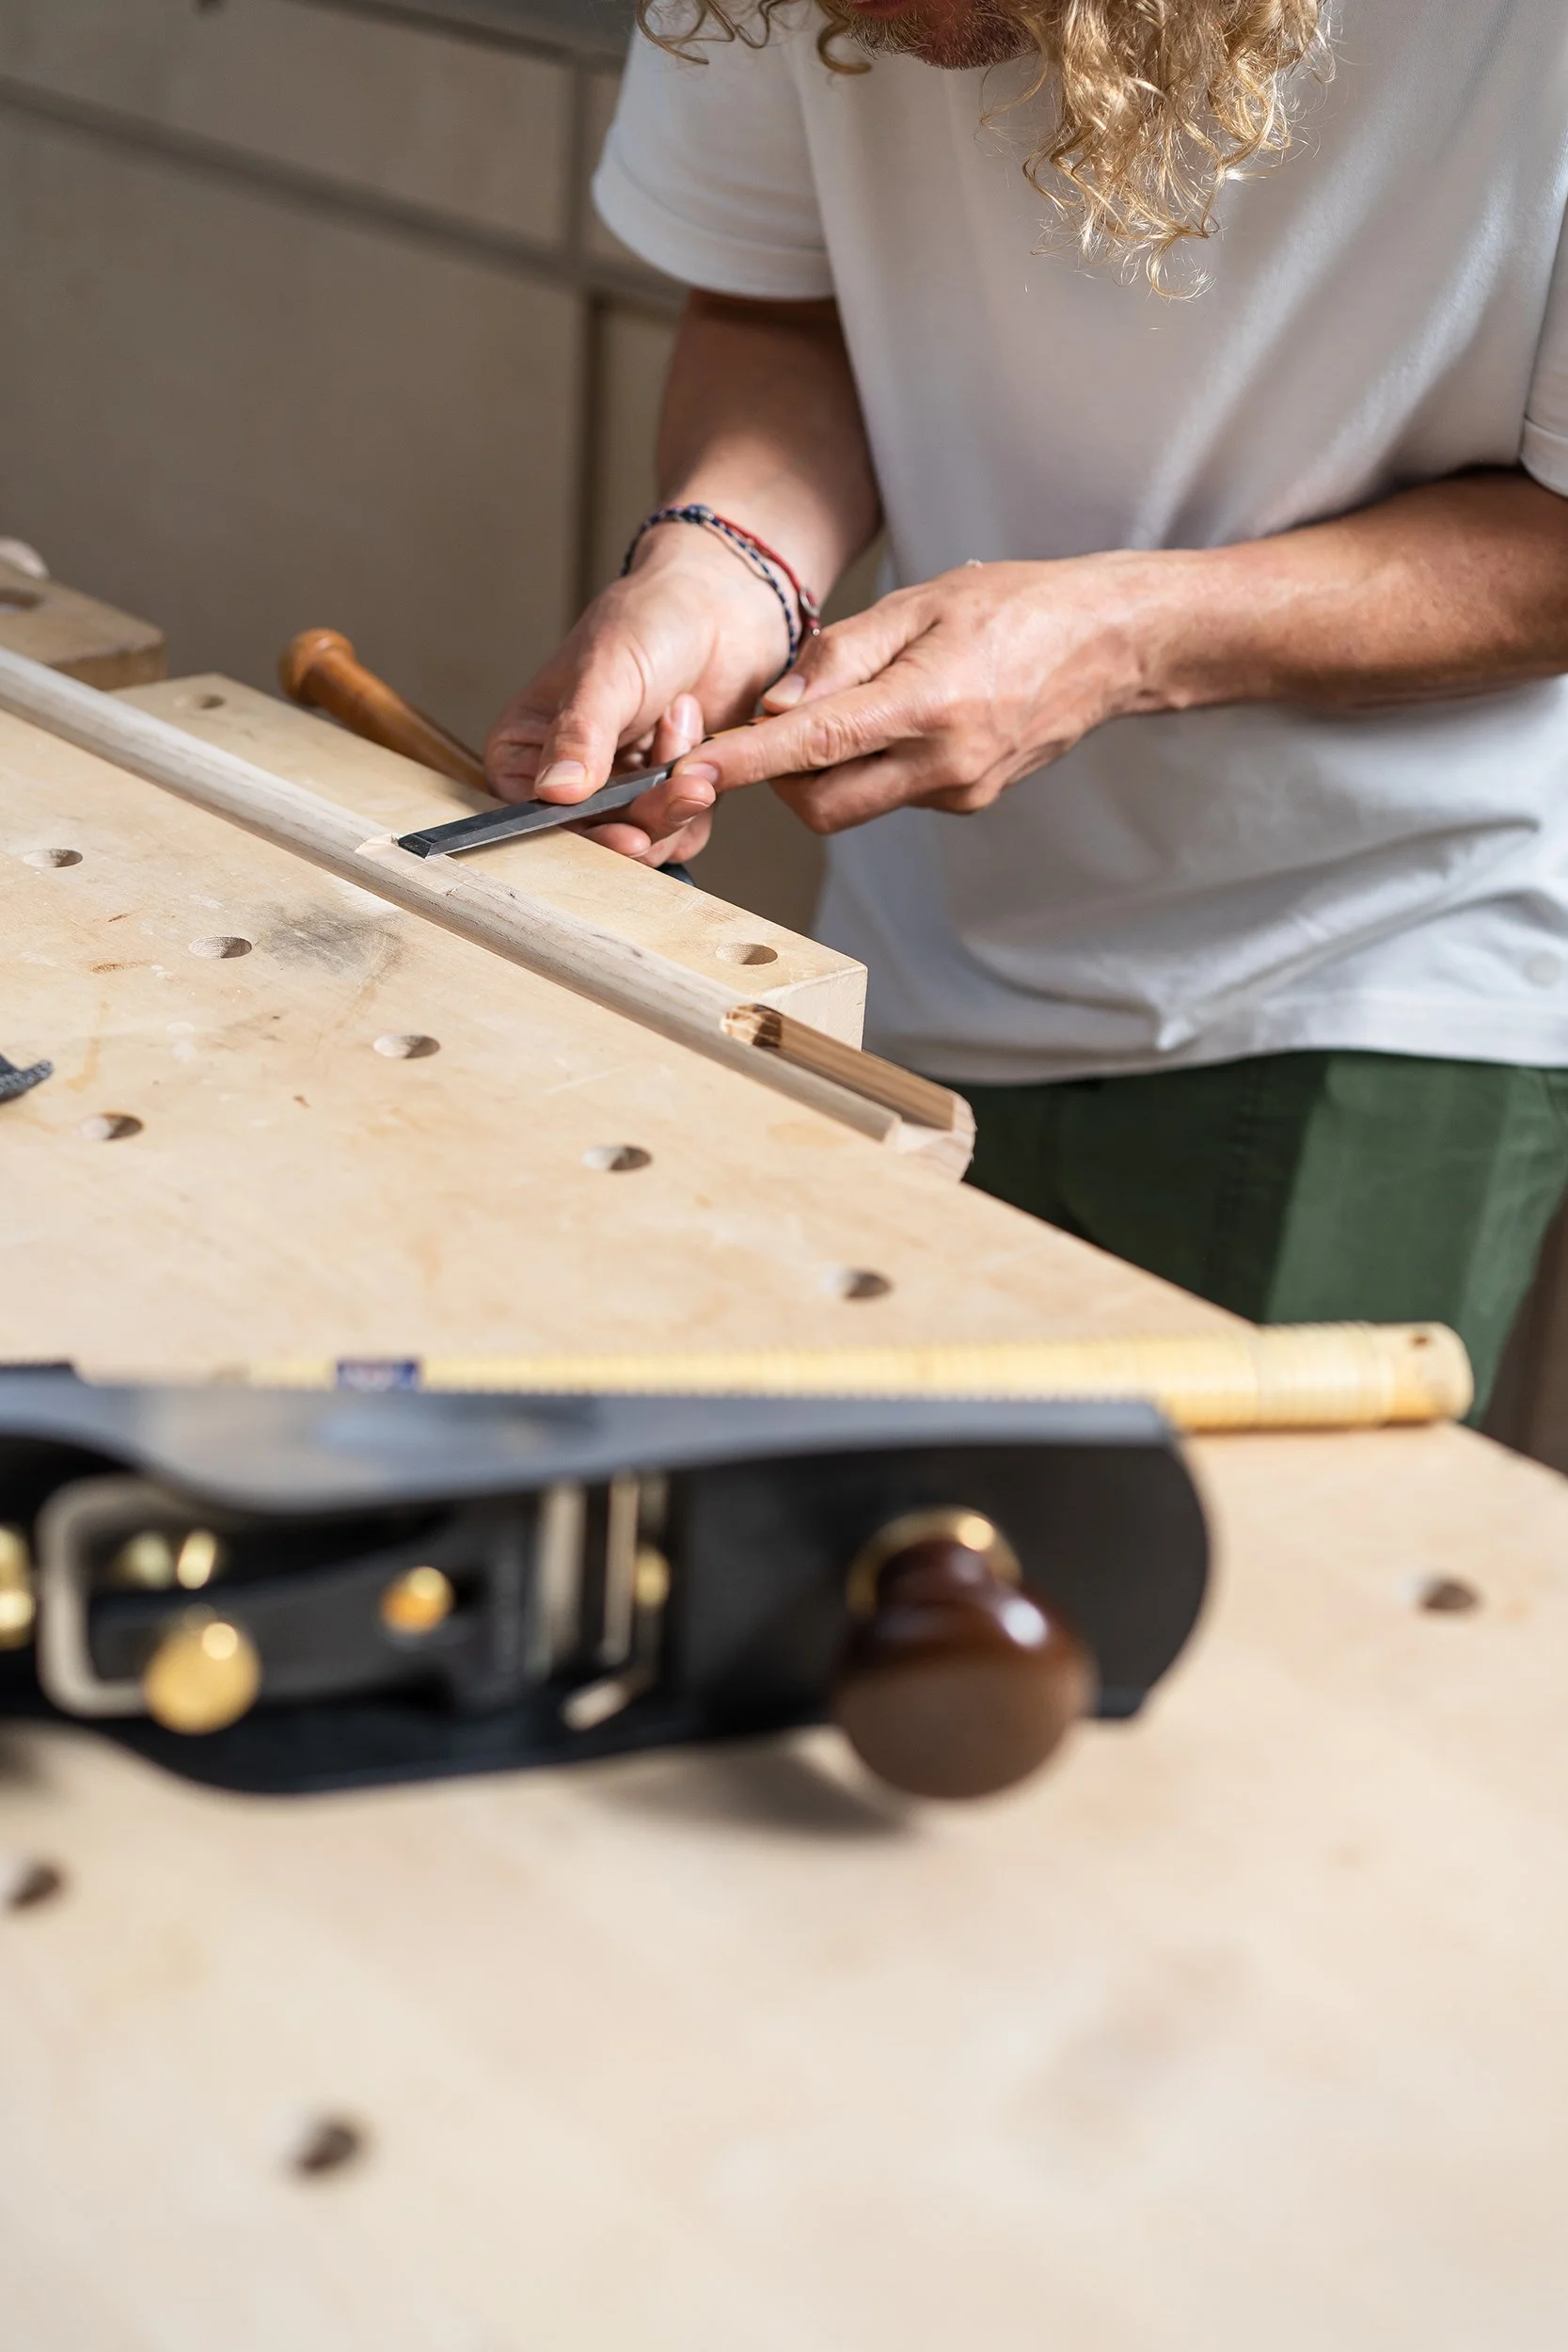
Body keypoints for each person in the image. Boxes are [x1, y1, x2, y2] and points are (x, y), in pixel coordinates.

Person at [486, 0, 1568, 1412]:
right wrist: (724, 570)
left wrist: (1114, 640)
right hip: (915, 940)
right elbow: (776, 305)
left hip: (1373, 949)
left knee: (1230, 1601)